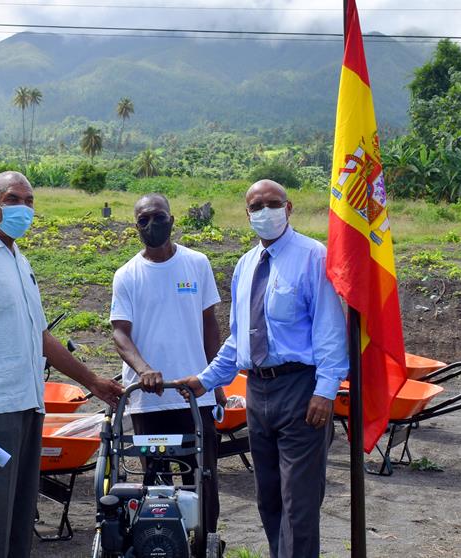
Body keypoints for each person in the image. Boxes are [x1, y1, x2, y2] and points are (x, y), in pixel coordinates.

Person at [0, 171, 122, 558]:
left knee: (19, 522)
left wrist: (93, 381)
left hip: (28, 406)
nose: (24, 208)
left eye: (30, 201)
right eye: (14, 199)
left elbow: (41, 338)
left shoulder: (19, 261)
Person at [177, 179, 348, 558]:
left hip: (301, 392)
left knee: (299, 506)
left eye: (273, 203)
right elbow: (240, 339)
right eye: (257, 206)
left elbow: (330, 330)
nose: (265, 211)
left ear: (288, 209)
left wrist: (325, 391)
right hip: (257, 392)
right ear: (247, 214)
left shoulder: (313, 257)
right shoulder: (245, 264)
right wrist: (205, 380)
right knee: (268, 498)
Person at [109, 193, 223, 539]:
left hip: (194, 394)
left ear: (172, 220)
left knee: (202, 478)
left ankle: (204, 542)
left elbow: (210, 325)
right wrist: (144, 369)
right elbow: (120, 334)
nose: (151, 225)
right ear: (136, 226)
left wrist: (214, 380)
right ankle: (159, 542)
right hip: (149, 398)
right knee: (155, 482)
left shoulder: (197, 263)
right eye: (143, 220)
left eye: (158, 217)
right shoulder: (127, 274)